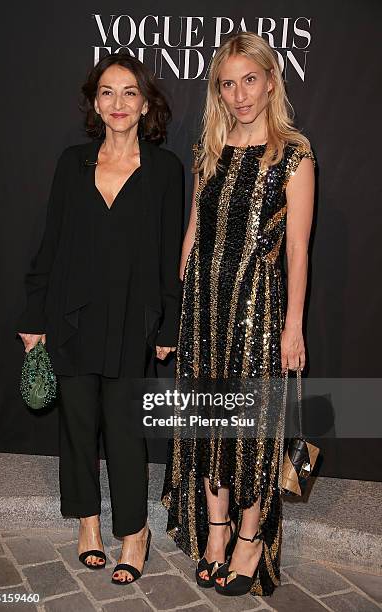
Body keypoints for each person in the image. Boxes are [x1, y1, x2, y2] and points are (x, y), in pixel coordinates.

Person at [17, 53, 183, 584]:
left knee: (126, 431)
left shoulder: (166, 171)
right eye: (107, 92)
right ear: (95, 102)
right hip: (71, 318)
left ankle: (134, 532)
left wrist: (169, 325)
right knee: (79, 427)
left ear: (144, 102)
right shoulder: (72, 163)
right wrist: (33, 316)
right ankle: (88, 524)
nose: (118, 103)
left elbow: (167, 258)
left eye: (129, 92)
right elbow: (52, 245)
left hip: (133, 321)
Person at [162, 32, 315, 597]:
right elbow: (196, 230)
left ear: (270, 81)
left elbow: (298, 249)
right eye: (228, 83)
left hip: (256, 306)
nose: (239, 94)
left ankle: (251, 539)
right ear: (218, 92)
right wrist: (177, 303)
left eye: (249, 79)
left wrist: (293, 325)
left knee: (249, 427)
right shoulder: (212, 147)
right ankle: (217, 532)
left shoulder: (293, 153)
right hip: (204, 306)